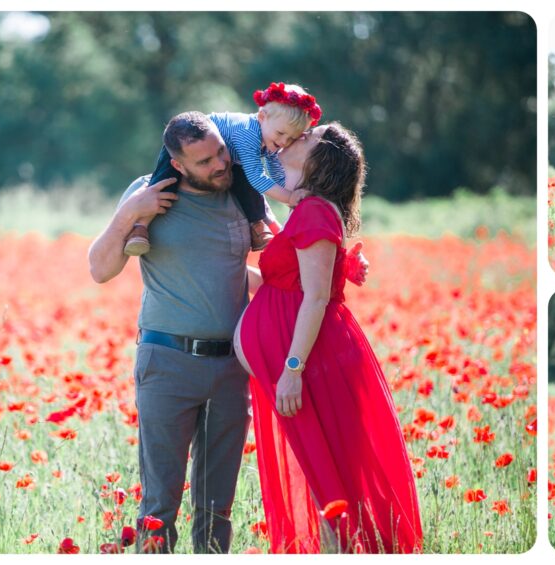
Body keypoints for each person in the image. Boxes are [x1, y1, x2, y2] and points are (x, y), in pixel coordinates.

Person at [87, 111, 366, 554]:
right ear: (177, 164)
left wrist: (339, 266)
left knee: (217, 508)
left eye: (221, 152)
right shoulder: (149, 194)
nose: (220, 164)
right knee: (159, 504)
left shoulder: (243, 191)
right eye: (204, 162)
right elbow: (100, 270)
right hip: (167, 364)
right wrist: (128, 215)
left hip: (231, 369)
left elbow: (285, 263)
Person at [234, 123, 423, 554]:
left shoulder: (316, 212)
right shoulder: (307, 210)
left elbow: (317, 297)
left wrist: (292, 369)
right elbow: (282, 285)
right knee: (323, 472)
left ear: (324, 161)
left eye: (309, 137)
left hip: (311, 362)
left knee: (328, 476)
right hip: (307, 358)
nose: (297, 136)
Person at [123, 83, 322, 256]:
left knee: (244, 184)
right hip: (187, 144)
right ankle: (140, 227)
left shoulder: (271, 139)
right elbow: (257, 177)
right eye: (281, 133)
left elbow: (275, 168)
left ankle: (259, 225)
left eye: (292, 138)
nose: (284, 142)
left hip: (226, 159)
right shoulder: (248, 134)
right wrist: (289, 197)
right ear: (262, 117)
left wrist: (292, 193)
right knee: (164, 184)